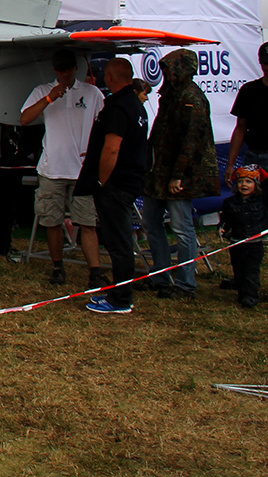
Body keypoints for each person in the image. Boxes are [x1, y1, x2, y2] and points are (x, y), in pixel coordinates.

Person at [20, 49, 105, 286]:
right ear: (55, 70)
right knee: (52, 222)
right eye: (61, 69)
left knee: (87, 222)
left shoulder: (92, 92)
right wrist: (49, 98)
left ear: (75, 68)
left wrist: (96, 151)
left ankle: (95, 271)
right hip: (52, 169)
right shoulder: (42, 90)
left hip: (82, 171)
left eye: (69, 68)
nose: (65, 73)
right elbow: (25, 119)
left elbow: (104, 124)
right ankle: (58, 267)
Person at [141, 48, 220, 300]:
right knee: (152, 223)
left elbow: (192, 141)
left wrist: (178, 175)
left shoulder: (192, 98)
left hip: (178, 175)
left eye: (169, 69)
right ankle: (161, 276)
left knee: (182, 229)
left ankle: (186, 284)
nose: (165, 74)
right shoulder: (170, 95)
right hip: (159, 172)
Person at [81, 58, 151, 315]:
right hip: (127, 180)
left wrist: (102, 180)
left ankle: (121, 299)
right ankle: (117, 292)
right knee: (117, 240)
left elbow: (112, 148)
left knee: (119, 242)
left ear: (110, 77)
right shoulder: (135, 104)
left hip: (117, 184)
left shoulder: (119, 107)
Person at [219, 165, 267, 309]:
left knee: (251, 270)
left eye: (248, 181)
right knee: (239, 270)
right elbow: (225, 220)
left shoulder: (262, 202)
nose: (244, 185)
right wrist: (222, 229)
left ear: (256, 185)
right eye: (241, 181)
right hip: (237, 242)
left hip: (255, 243)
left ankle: (250, 297)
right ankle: (242, 293)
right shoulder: (230, 203)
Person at [225, 42, 268, 175]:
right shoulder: (249, 90)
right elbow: (240, 128)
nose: (267, 67)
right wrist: (231, 165)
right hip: (255, 156)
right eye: (265, 63)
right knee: (251, 195)